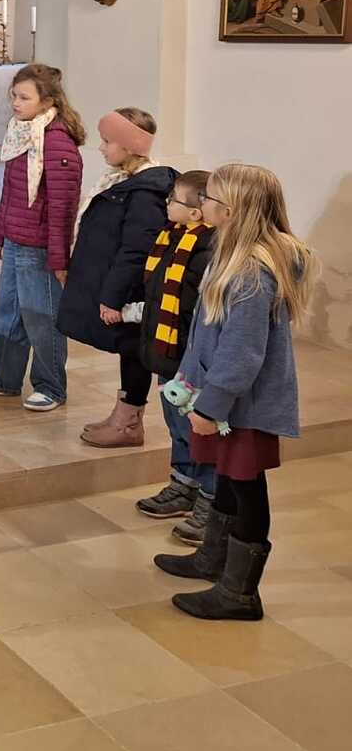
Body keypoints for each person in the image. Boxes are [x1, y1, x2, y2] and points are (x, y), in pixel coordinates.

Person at [153, 165, 316, 621]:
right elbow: (208, 335)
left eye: (209, 197)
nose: (202, 203)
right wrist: (191, 382)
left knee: (246, 486)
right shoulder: (229, 254)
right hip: (221, 399)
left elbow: (242, 353)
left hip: (242, 405)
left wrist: (211, 405)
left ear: (232, 209)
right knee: (226, 477)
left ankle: (240, 594)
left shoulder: (251, 272)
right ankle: (213, 559)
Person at [0, 64, 84, 411]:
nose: (15, 103)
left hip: (41, 247)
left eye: (24, 97)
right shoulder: (20, 132)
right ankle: (3, 377)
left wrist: (59, 259)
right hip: (17, 240)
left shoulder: (57, 142)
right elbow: (11, 192)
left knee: (41, 317)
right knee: (8, 314)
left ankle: (51, 386)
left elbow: (63, 208)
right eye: (14, 96)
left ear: (47, 100)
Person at [62, 109, 174, 446]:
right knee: (129, 350)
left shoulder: (146, 193)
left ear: (129, 146)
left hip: (131, 293)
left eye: (108, 141)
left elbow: (136, 251)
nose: (101, 148)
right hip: (121, 288)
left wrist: (112, 297)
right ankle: (122, 416)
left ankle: (129, 425)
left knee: (135, 351)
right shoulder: (125, 182)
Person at [132, 171, 220, 536]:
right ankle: (184, 483)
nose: (167, 203)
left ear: (197, 212)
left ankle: (211, 499)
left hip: (189, 357)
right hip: (167, 351)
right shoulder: (172, 237)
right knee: (177, 424)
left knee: (198, 429)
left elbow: (199, 311)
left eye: (174, 199)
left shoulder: (208, 250)